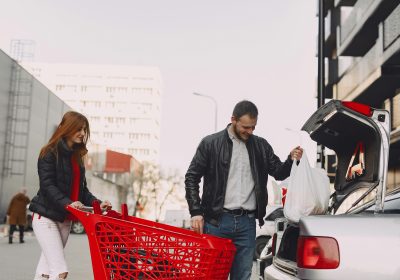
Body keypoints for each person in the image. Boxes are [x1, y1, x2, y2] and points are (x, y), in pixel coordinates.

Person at [184, 100, 303, 280]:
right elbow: (191, 177)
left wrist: (291, 158)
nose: (250, 132)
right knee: (212, 276)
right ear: (233, 120)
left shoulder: (261, 146)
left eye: (253, 127)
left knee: (243, 276)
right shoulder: (210, 143)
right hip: (216, 222)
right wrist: (195, 212)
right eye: (246, 127)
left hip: (246, 224)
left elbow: (278, 172)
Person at [29, 111, 112, 280]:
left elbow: (82, 191)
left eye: (84, 130)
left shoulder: (77, 158)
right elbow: (47, 186)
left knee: (45, 269)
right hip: (45, 217)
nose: (82, 133)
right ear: (67, 128)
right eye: (79, 129)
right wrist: (68, 203)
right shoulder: (49, 153)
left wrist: (98, 203)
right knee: (60, 271)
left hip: (65, 219)